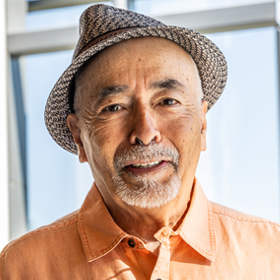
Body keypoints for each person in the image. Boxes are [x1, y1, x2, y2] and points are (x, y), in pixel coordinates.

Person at [1, 4, 279, 280]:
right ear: (79, 137)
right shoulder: (20, 267)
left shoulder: (271, 253)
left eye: (168, 101)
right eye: (113, 107)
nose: (145, 132)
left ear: (203, 124)